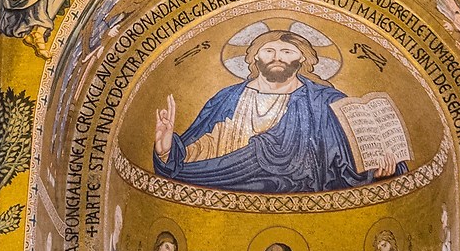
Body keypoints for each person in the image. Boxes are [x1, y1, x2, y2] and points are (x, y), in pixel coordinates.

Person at [153, 29, 404, 193]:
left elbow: (344, 160)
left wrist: (379, 170)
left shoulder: (324, 102)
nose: (277, 57)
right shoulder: (227, 98)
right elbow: (205, 147)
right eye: (269, 51)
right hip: (228, 183)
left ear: (301, 59)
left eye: (287, 52)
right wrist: (167, 150)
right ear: (255, 58)